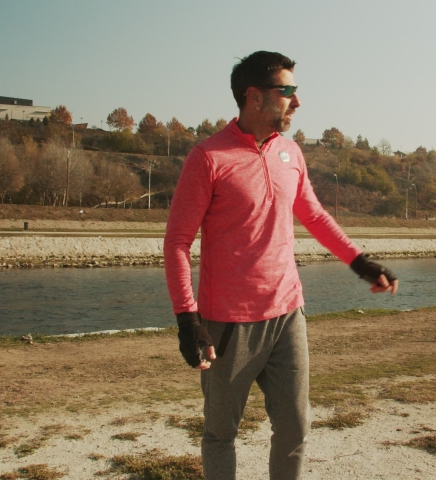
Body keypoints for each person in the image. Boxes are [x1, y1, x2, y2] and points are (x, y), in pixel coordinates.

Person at [164, 51, 398, 480]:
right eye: (287, 90)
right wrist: (187, 319)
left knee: (294, 427)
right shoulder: (208, 156)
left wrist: (360, 262)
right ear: (254, 96)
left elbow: (314, 215)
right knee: (220, 433)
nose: (297, 101)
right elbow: (178, 242)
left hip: (288, 314)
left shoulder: (290, 152)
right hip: (228, 322)